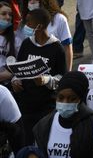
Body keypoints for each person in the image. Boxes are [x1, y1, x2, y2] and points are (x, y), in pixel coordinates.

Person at [13, 8, 68, 142]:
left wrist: (46, 80)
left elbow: (62, 79)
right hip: (26, 106)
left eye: (29, 22)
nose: (26, 26)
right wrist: (16, 80)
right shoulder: (26, 44)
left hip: (46, 108)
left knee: (45, 142)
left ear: (40, 26)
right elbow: (18, 70)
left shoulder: (56, 48)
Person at [33, 71, 93, 157]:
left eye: (72, 99)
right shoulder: (44, 125)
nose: (65, 102)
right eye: (61, 97)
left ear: (80, 99)